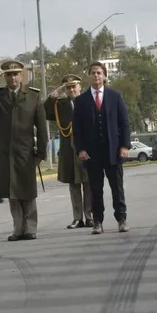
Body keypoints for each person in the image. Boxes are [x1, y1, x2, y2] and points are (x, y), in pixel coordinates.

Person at [0, 59, 47, 241]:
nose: (12, 78)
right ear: (4, 77)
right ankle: (18, 228)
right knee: (13, 192)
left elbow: (42, 128)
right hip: (5, 153)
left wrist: (41, 153)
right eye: (8, 75)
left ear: (21, 76)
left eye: (15, 74)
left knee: (27, 191)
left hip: (25, 152)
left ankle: (30, 228)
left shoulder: (33, 96)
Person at [72, 62, 131, 235]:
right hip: (92, 153)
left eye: (99, 73)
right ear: (89, 76)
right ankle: (97, 221)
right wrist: (81, 149)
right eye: (93, 73)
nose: (96, 75)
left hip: (113, 151)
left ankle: (121, 219)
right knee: (95, 189)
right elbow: (77, 129)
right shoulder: (81, 101)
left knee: (117, 187)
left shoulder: (115, 96)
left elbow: (124, 123)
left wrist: (124, 146)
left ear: (104, 76)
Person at [44, 73, 93, 229]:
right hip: (68, 150)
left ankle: (89, 216)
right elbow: (45, 112)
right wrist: (53, 96)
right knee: (73, 185)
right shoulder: (60, 104)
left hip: (86, 147)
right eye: (68, 87)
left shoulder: (88, 101)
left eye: (74, 86)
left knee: (88, 184)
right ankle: (77, 218)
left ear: (80, 87)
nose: (72, 89)